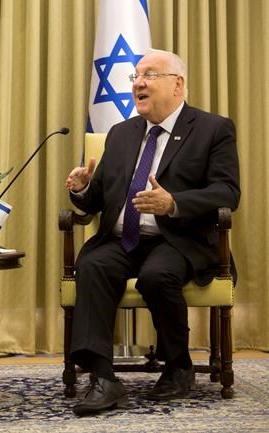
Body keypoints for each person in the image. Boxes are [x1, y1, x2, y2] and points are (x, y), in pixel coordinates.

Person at [65, 49, 240, 416]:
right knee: (93, 265)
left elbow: (227, 192)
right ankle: (103, 378)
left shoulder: (213, 129)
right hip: (121, 239)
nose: (138, 84)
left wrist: (173, 202)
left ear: (177, 85)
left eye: (149, 75)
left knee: (157, 275)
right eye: (136, 77)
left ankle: (178, 365)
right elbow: (98, 200)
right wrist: (83, 188)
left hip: (179, 239)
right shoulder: (121, 133)